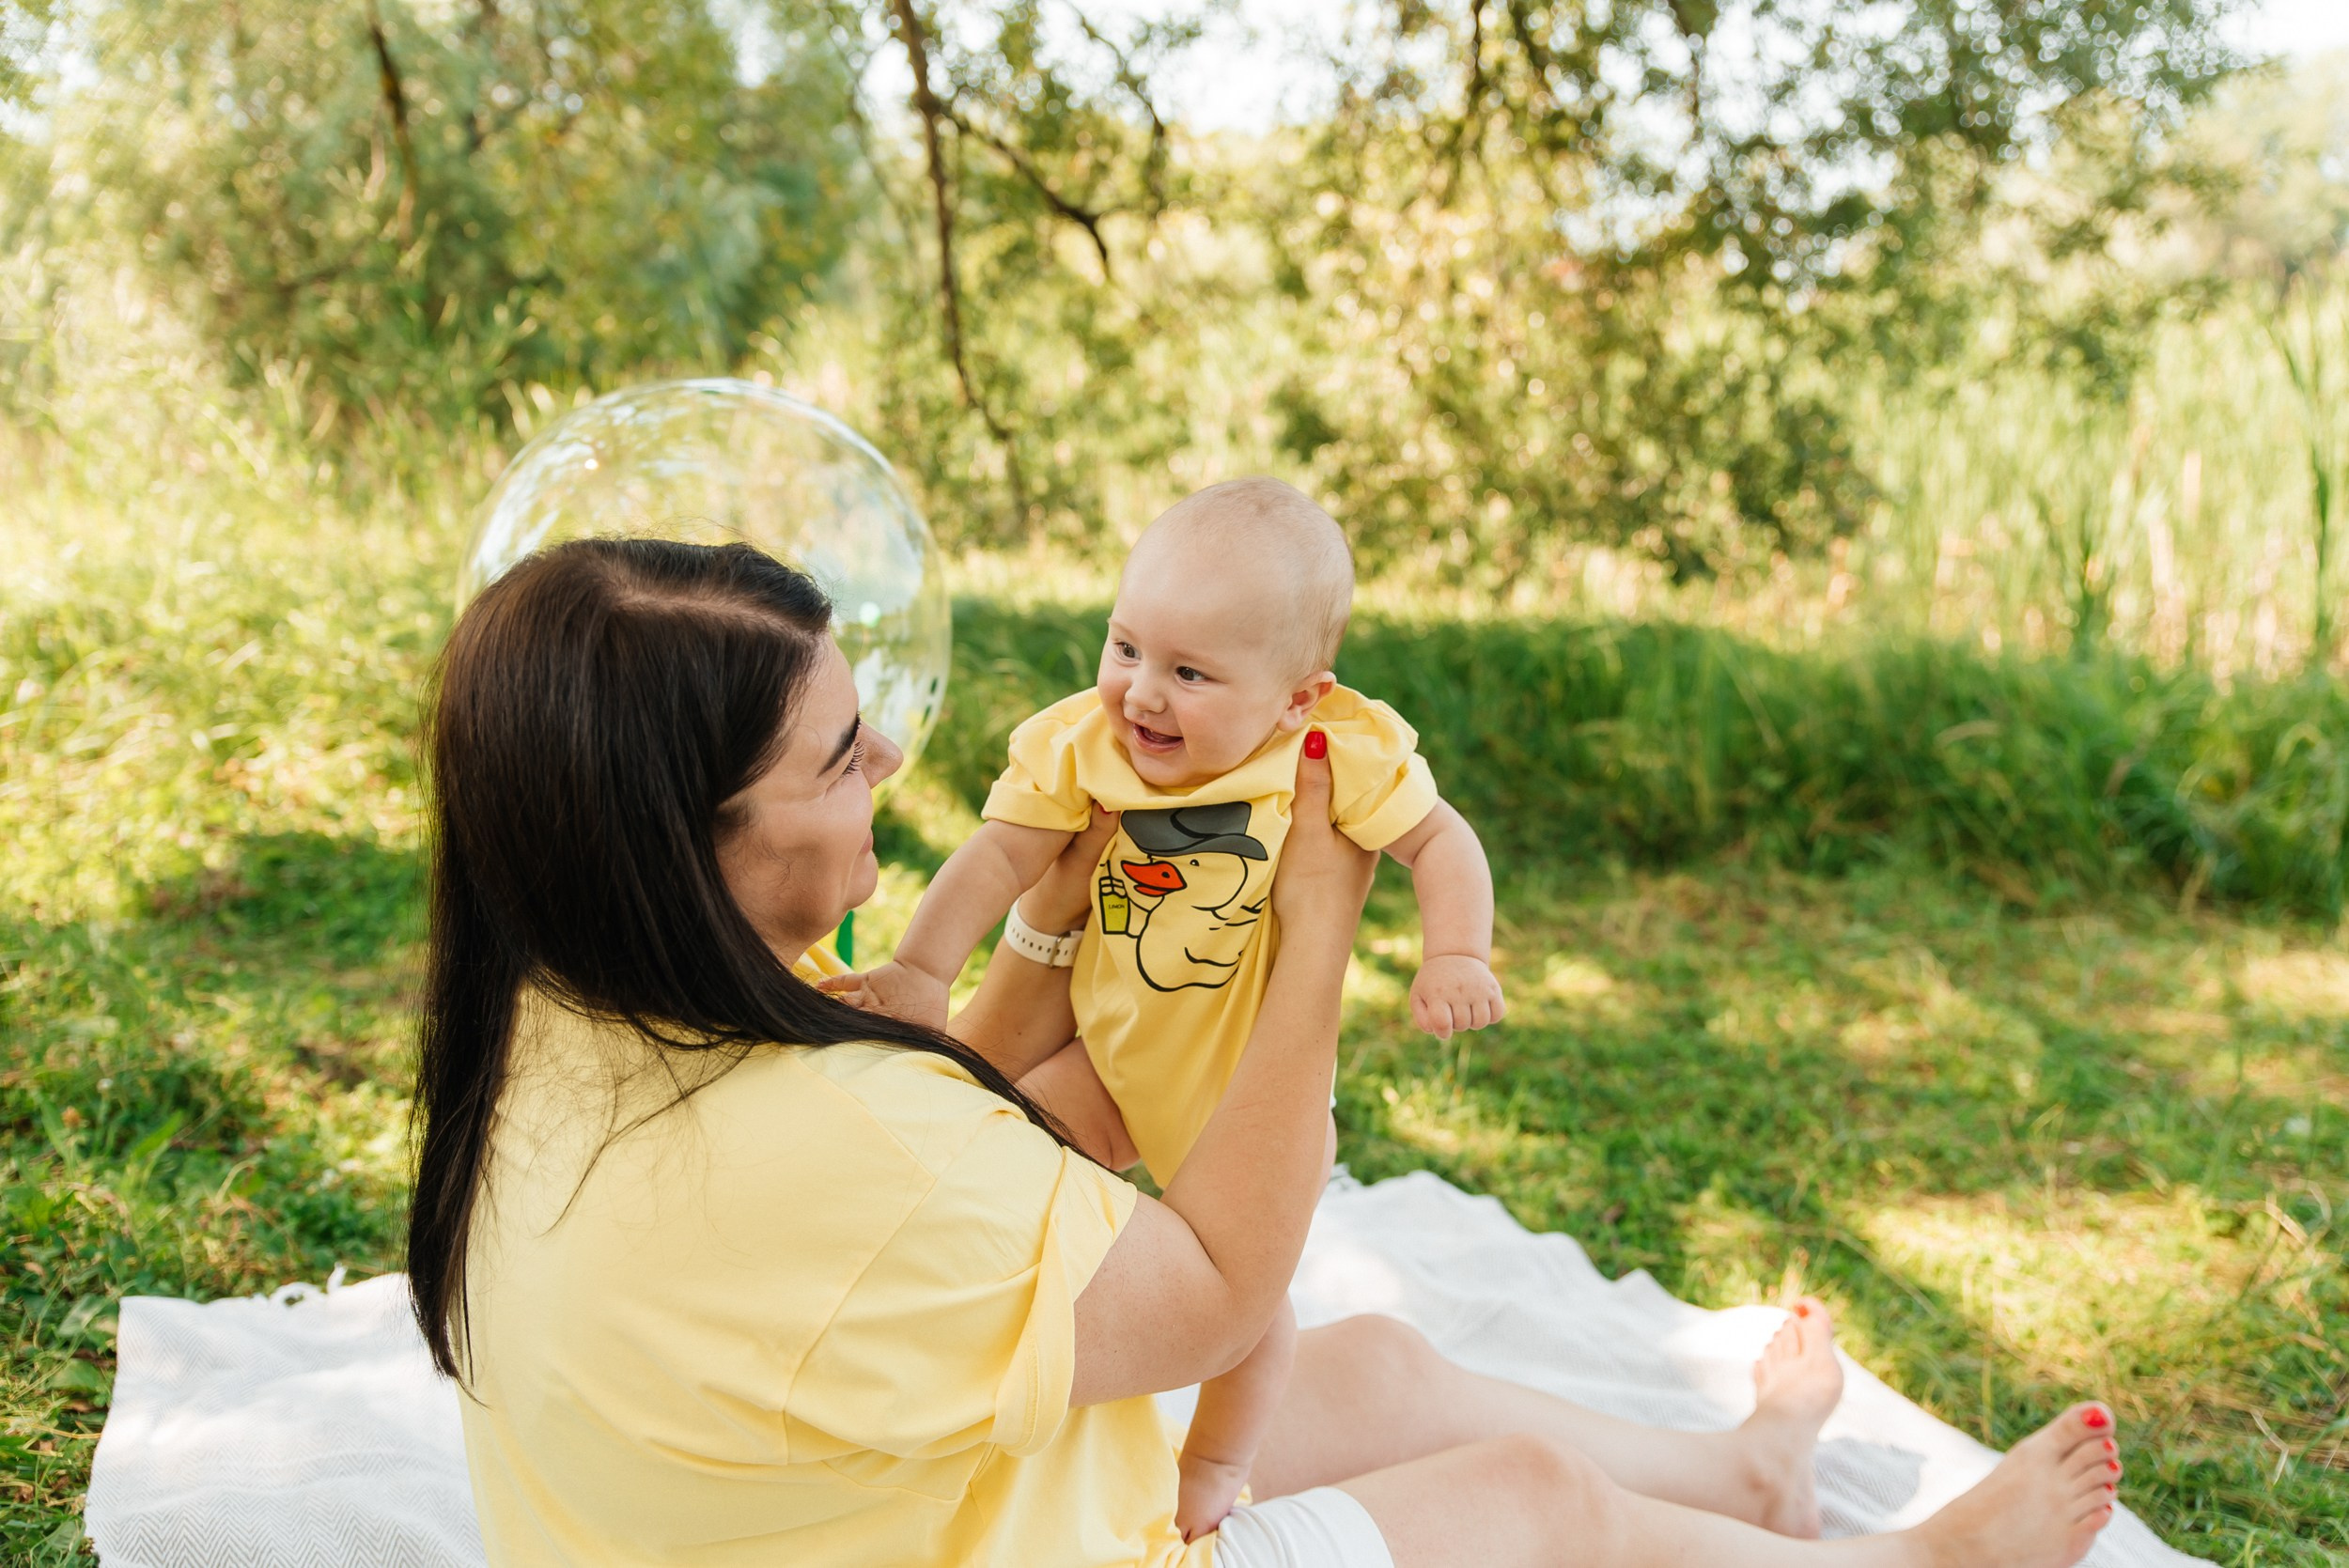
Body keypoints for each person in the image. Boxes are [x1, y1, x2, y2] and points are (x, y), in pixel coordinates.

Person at [407, 536, 2124, 1568]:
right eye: (844, 755)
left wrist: (1053, 925)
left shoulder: (559, 1010)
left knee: (1370, 1366)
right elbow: (1223, 1276)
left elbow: (989, 1108)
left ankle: (1749, 1473)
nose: (892, 780)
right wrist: (1315, 922)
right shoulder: (831, 1142)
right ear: (675, 833)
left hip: (830, 1511)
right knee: (1519, 1493)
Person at [832, 478, 1508, 1532]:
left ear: (1297, 697)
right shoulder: (1083, 746)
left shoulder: (1336, 750)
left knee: (1245, 1304)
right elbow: (998, 855)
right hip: (1113, 1053)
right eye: (1125, 647)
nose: (1142, 694)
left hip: (1243, 1091)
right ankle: (1024, 1360)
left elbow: (1440, 841)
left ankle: (1214, 1464)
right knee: (996, 1142)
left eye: (1190, 672)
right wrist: (923, 969)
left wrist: (1455, 951)